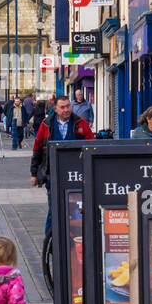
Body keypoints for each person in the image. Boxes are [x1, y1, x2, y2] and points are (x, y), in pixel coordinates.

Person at [30, 95, 95, 235]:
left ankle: (76, 238)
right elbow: (37, 148)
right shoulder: (46, 124)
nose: (66, 110)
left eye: (68, 106)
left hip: (77, 175)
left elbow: (92, 145)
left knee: (77, 209)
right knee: (53, 210)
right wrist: (34, 173)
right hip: (53, 174)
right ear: (56, 109)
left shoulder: (80, 123)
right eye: (63, 107)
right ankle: (51, 243)